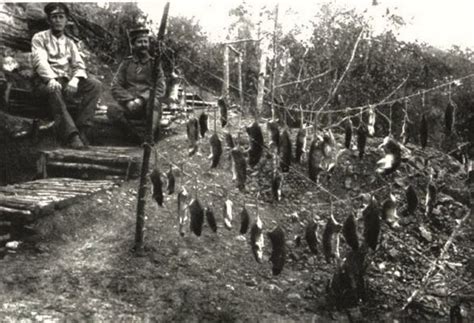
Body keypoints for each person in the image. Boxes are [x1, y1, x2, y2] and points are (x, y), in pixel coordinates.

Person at [31, 2, 102, 149]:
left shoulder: (70, 43)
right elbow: (40, 61)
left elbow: (79, 65)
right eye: (54, 17)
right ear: (48, 20)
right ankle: (71, 135)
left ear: (66, 20)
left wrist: (75, 80)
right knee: (54, 88)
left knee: (95, 84)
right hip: (44, 82)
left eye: (61, 17)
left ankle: (83, 130)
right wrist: (50, 79)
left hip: (64, 80)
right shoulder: (39, 38)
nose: (57, 20)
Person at [108, 28, 166, 144]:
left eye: (145, 42)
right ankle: (135, 137)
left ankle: (149, 138)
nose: (143, 45)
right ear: (133, 45)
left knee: (153, 103)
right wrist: (129, 100)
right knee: (112, 109)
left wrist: (142, 99)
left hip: (147, 105)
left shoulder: (154, 64)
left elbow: (160, 87)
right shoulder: (126, 63)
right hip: (130, 105)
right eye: (139, 42)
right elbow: (115, 86)